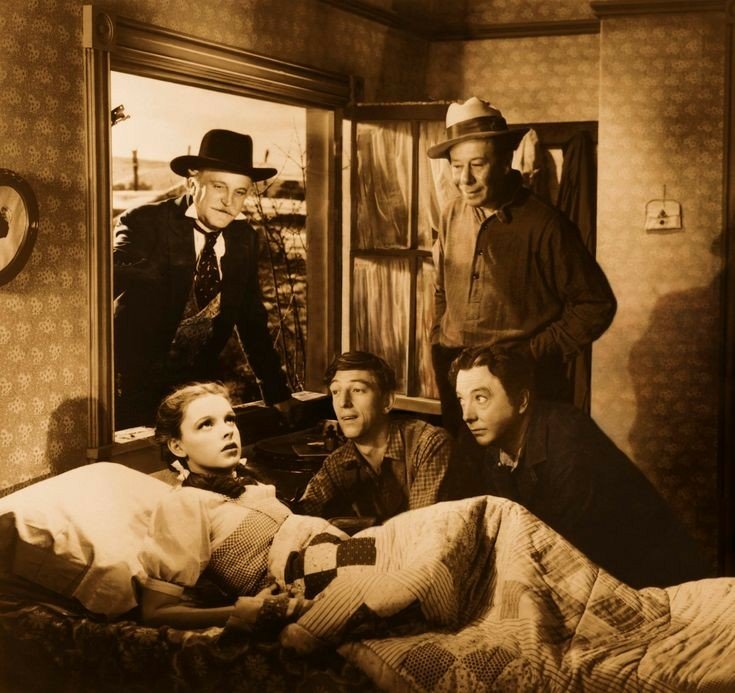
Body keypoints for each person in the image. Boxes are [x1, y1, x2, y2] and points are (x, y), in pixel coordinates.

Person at [440, 344, 710, 589]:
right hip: (579, 575)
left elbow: (569, 551)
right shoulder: (484, 443)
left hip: (652, 578)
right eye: (462, 400)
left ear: (521, 401)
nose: (467, 415)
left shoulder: (570, 440)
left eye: (481, 398)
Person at [427, 97, 617, 434]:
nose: (464, 179)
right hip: (455, 369)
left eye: (477, 165)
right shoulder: (450, 214)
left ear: (504, 162)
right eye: (456, 166)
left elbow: (595, 304)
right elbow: (442, 287)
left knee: (524, 463)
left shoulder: (546, 225)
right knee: (465, 460)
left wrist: (532, 353)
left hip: (519, 375)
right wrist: (439, 341)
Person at [113, 129, 292, 429]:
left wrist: (277, 393)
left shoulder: (244, 239)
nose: (229, 201)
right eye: (219, 186)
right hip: (129, 392)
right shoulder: (144, 222)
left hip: (196, 395)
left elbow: (252, 321)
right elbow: (103, 284)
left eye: (240, 192)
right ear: (192, 182)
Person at [294, 351, 453, 526]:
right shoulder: (338, 463)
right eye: (336, 391)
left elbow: (420, 529)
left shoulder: (429, 444)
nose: (343, 402)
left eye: (357, 390)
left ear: (387, 401)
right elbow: (300, 518)